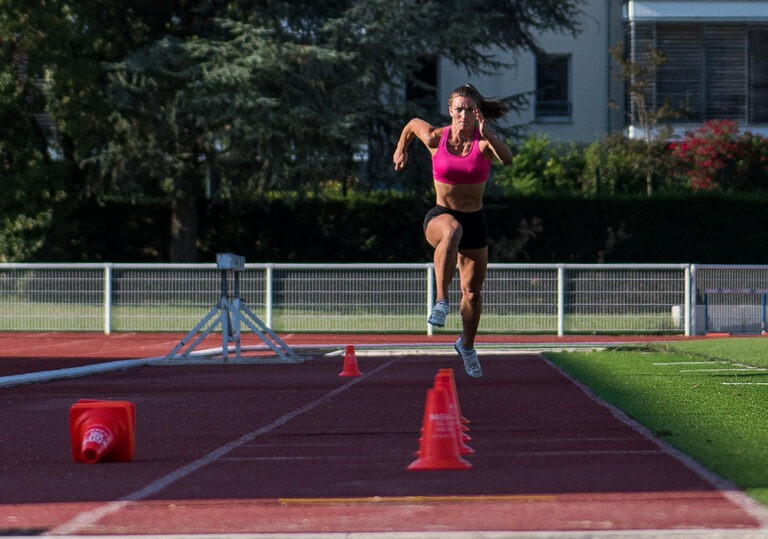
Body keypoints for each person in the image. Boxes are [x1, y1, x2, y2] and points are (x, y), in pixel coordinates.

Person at [393, 83, 514, 378]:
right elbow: (411, 125)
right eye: (458, 109)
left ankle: (467, 346)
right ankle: (440, 301)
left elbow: (508, 159)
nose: (463, 115)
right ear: (450, 111)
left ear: (477, 113)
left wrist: (491, 135)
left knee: (472, 293)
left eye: (469, 110)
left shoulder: (483, 143)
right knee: (451, 230)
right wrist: (401, 149)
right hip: (441, 216)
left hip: (475, 221)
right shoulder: (436, 138)